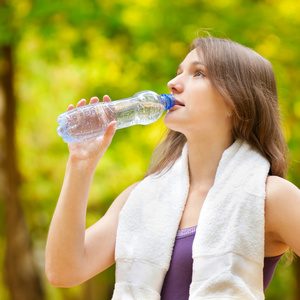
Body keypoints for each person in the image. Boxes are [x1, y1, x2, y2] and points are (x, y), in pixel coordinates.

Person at [45, 37, 300, 299]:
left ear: (235, 101)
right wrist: (80, 165)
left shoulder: (270, 196)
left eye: (198, 73)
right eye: (179, 72)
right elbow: (64, 271)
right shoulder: (139, 199)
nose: (172, 83)